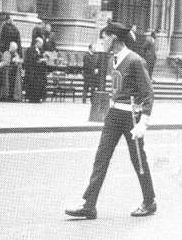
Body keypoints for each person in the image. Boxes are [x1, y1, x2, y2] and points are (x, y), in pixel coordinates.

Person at [66, 22, 156, 219]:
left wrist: (143, 123)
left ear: (113, 38)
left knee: (138, 159)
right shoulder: (113, 58)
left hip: (131, 117)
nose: (102, 41)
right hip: (114, 115)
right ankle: (89, 205)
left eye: (104, 37)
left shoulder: (135, 61)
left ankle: (149, 201)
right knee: (101, 158)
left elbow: (148, 93)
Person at [24, 37, 48, 103]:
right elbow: (29, 59)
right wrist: (39, 59)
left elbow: (42, 58)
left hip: (39, 72)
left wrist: (44, 59)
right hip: (32, 71)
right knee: (32, 84)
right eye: (41, 43)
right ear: (37, 43)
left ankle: (38, 98)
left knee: (39, 84)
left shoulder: (41, 50)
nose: (41, 45)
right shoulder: (30, 49)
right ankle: (31, 98)